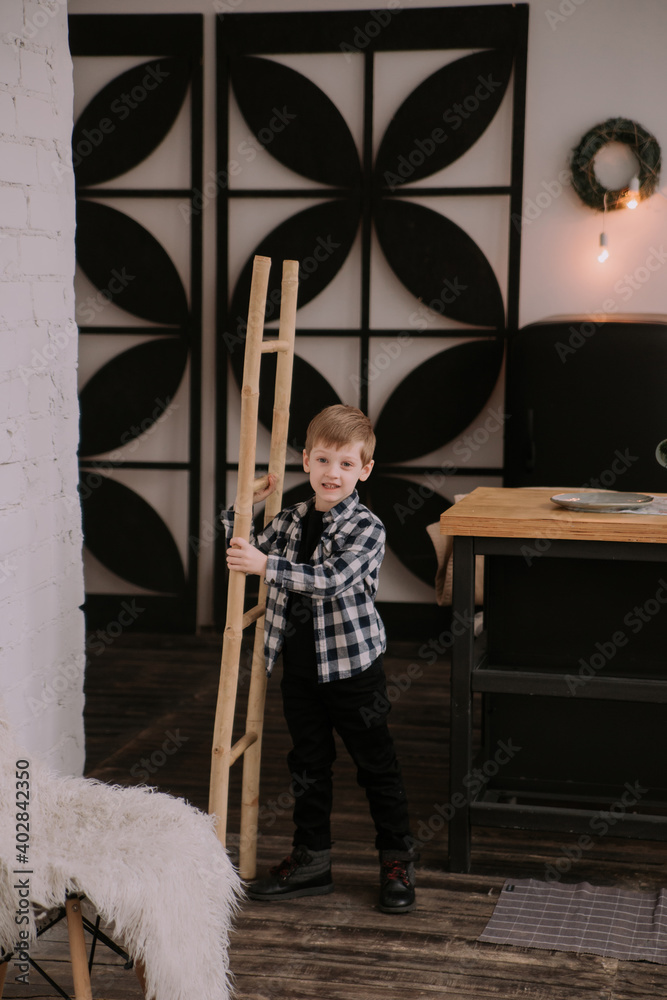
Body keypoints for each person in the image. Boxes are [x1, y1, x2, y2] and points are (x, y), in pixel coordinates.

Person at [223, 404, 417, 913]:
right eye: (324, 460)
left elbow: (330, 580)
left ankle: (396, 860)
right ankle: (312, 860)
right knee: (308, 763)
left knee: (376, 765)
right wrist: (243, 506)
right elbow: (245, 549)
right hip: (300, 667)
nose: (334, 473)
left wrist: (267, 566)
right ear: (306, 461)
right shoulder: (291, 519)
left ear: (365, 469)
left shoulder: (367, 528)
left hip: (353, 668)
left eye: (347, 464)